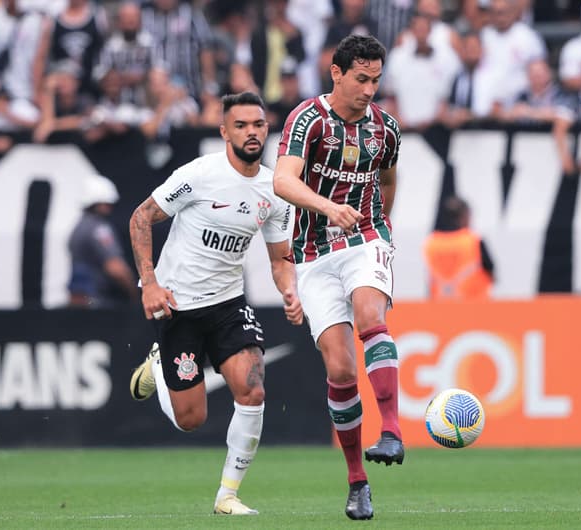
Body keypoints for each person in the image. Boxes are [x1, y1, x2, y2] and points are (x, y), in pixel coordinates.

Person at [127, 92, 302, 515]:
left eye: (258, 124)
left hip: (227, 303)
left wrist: (290, 289)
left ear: (267, 129)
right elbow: (141, 217)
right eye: (240, 125)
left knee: (253, 388)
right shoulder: (200, 174)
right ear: (224, 132)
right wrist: (148, 283)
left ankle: (227, 495)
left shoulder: (275, 188)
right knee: (191, 420)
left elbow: (279, 257)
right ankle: (159, 365)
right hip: (177, 304)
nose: (251, 132)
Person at [273, 34, 402, 520]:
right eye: (361, 79)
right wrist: (329, 208)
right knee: (341, 370)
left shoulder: (385, 129)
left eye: (376, 80)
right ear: (337, 73)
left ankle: (390, 430)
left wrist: (379, 229)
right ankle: (357, 480)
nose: (369, 90)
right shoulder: (308, 119)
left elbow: (388, 179)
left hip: (366, 238)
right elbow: (282, 180)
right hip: (312, 253)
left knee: (371, 314)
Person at [67, 174, 137, 308]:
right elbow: (115, 268)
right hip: (98, 301)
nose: (110, 207)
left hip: (82, 300)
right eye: (107, 203)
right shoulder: (99, 229)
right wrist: (133, 292)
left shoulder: (78, 227)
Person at [423, 196, 494, 299]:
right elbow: (491, 272)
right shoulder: (474, 241)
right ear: (463, 217)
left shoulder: (431, 243)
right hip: (475, 307)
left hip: (441, 307)